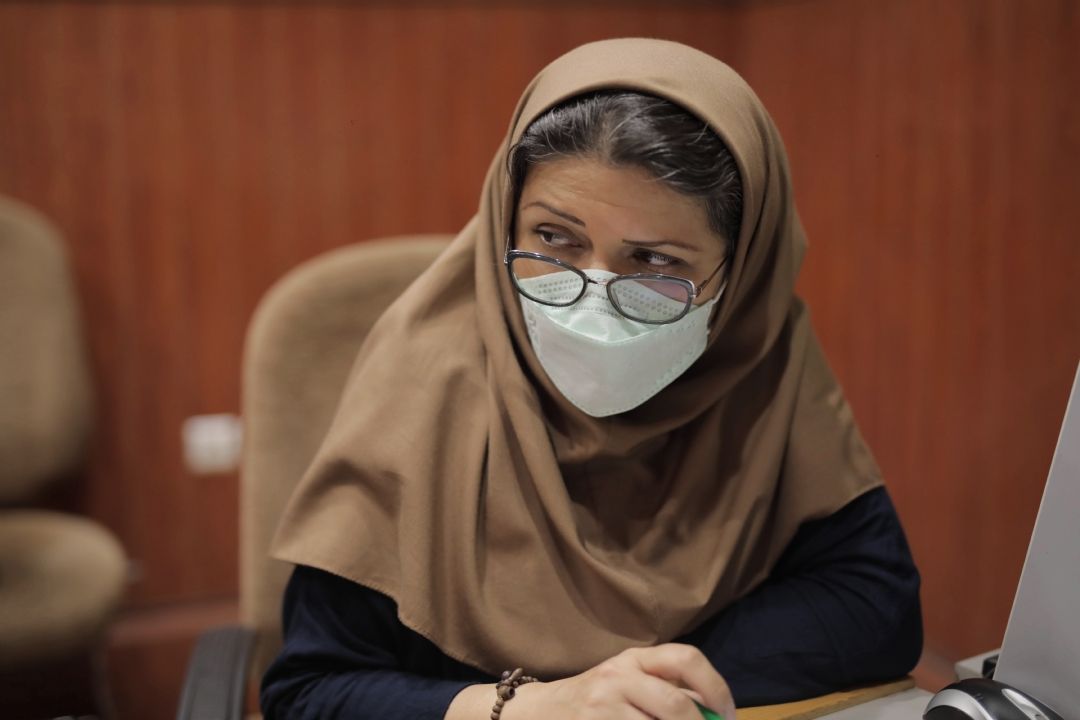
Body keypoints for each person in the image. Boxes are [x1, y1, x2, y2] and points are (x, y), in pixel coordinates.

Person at [261, 38, 922, 720]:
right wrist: (538, 707)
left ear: (741, 274)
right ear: (506, 220)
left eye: (653, 261)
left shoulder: (760, 363)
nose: (592, 301)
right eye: (554, 238)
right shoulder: (422, 381)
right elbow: (310, 693)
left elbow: (875, 608)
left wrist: (641, 684)